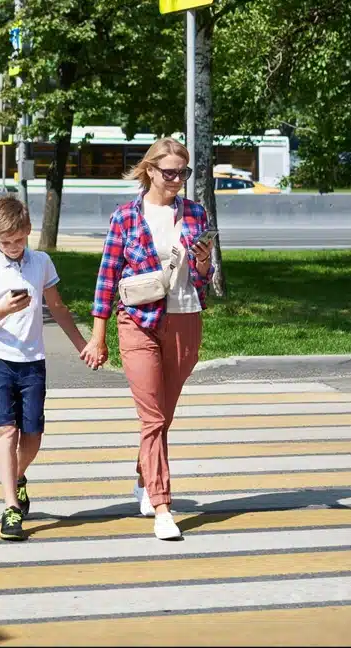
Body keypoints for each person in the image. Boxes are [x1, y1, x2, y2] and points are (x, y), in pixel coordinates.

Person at [81, 137, 216, 541]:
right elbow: (107, 277)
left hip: (185, 318)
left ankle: (144, 475)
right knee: (153, 417)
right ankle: (162, 506)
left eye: (184, 173)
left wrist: (205, 260)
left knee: (163, 416)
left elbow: (204, 277)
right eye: (170, 172)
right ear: (150, 170)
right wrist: (98, 335)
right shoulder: (127, 216)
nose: (177, 180)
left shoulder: (195, 213)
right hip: (137, 319)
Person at [0, 194, 100, 541]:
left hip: (32, 360)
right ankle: (11, 508)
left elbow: (57, 308)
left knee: (33, 436)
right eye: (5, 242)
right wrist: (4, 311)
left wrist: (83, 345)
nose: (13, 247)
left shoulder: (41, 262)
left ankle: (18, 475)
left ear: (28, 229)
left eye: (18, 239)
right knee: (7, 432)